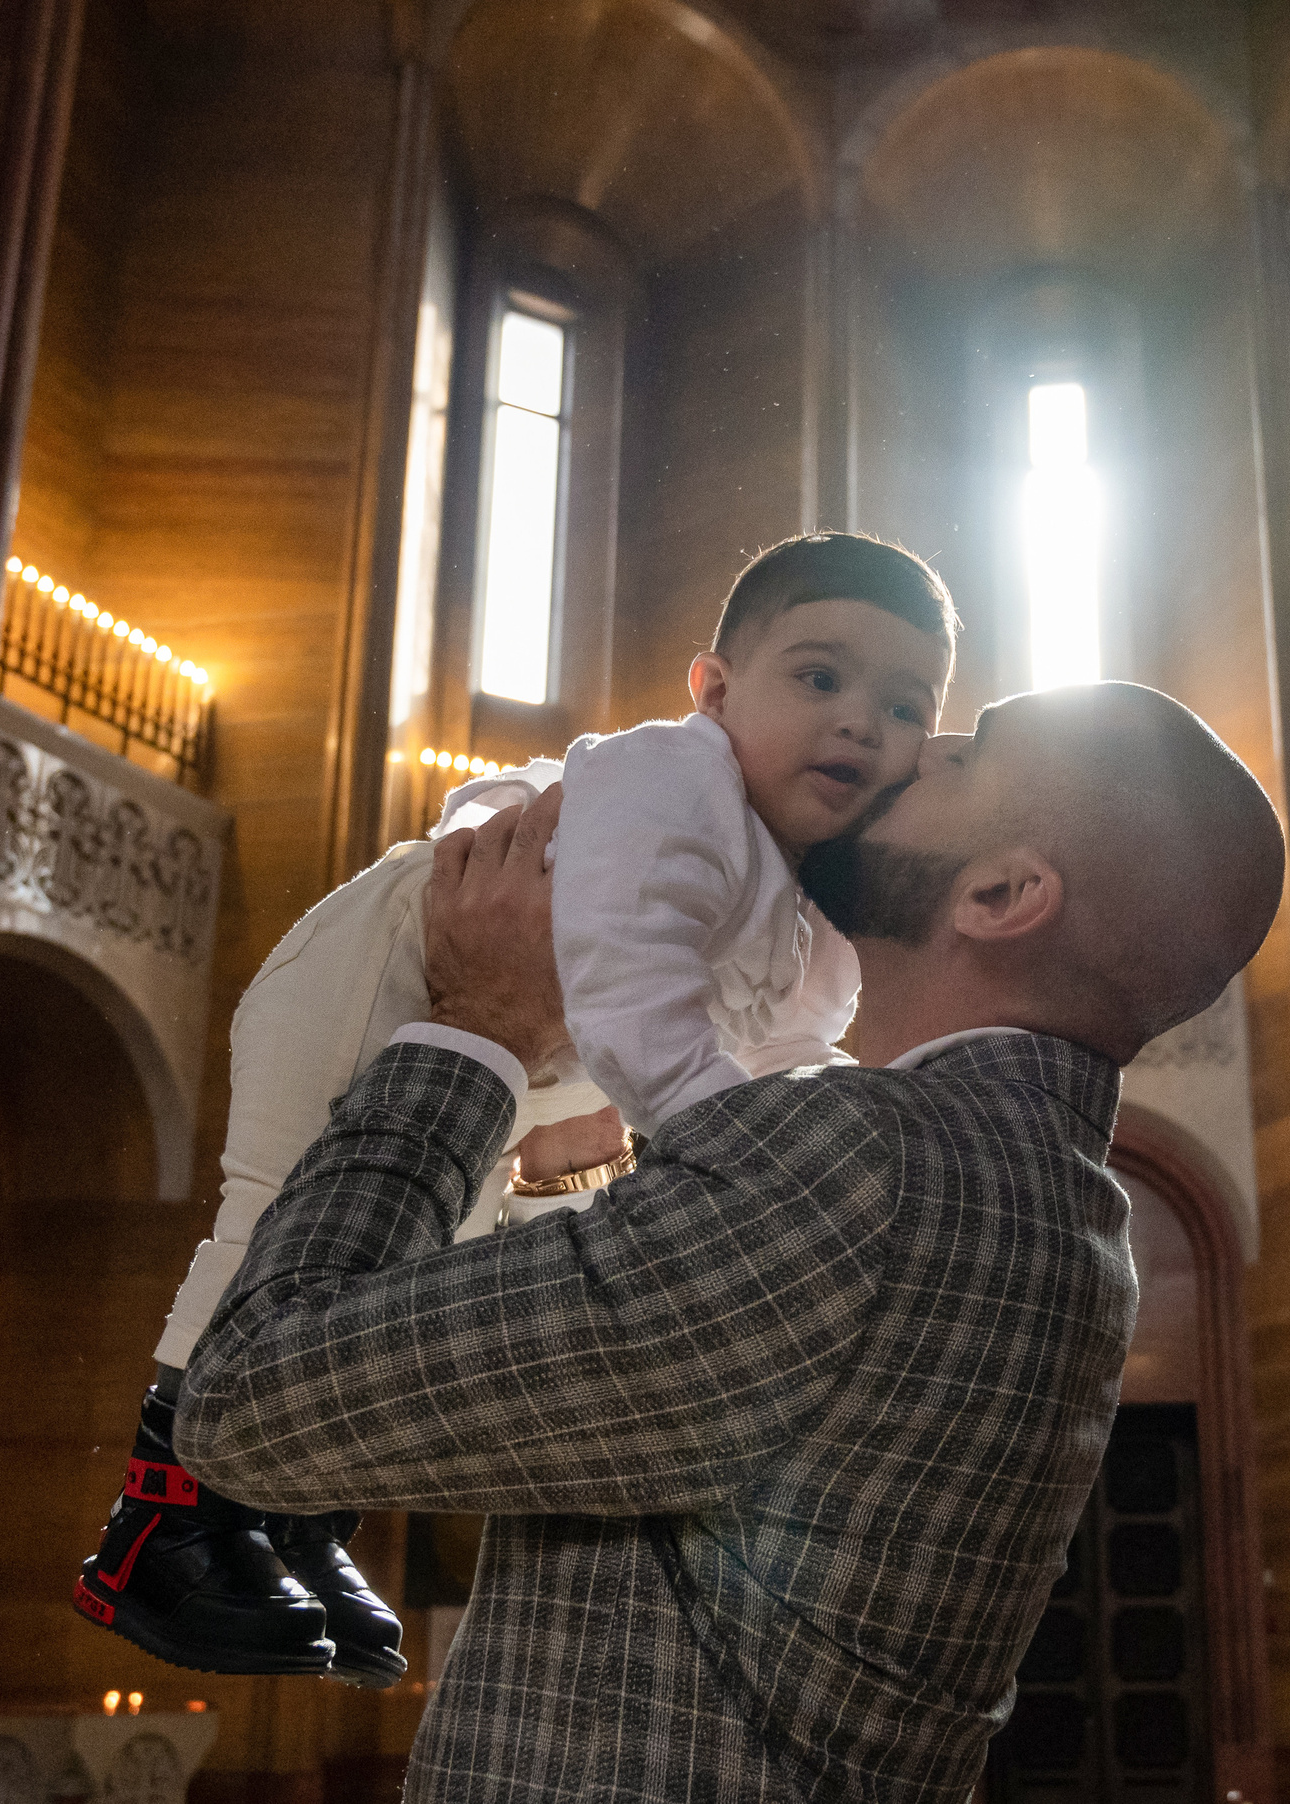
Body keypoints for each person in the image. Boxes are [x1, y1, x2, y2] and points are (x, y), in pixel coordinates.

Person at [172, 681, 1285, 1802]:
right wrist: (594, 1170)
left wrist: (477, 1030)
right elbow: (694, 1462)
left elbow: (252, 1402)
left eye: (958, 754)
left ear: (1001, 893)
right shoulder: (1064, 1211)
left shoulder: (866, 1160)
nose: (901, 751)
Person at [72, 533, 957, 1685]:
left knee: (415, 1262)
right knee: (278, 1233)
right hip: (377, 973)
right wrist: (734, 1158)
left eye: (904, 704)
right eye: (820, 677)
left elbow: (793, 1051)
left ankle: (291, 1517)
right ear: (714, 689)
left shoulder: (815, 897)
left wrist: (831, 1145)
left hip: (513, 1062)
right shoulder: (674, 782)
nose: (858, 722)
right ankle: (159, 1527)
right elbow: (628, 980)